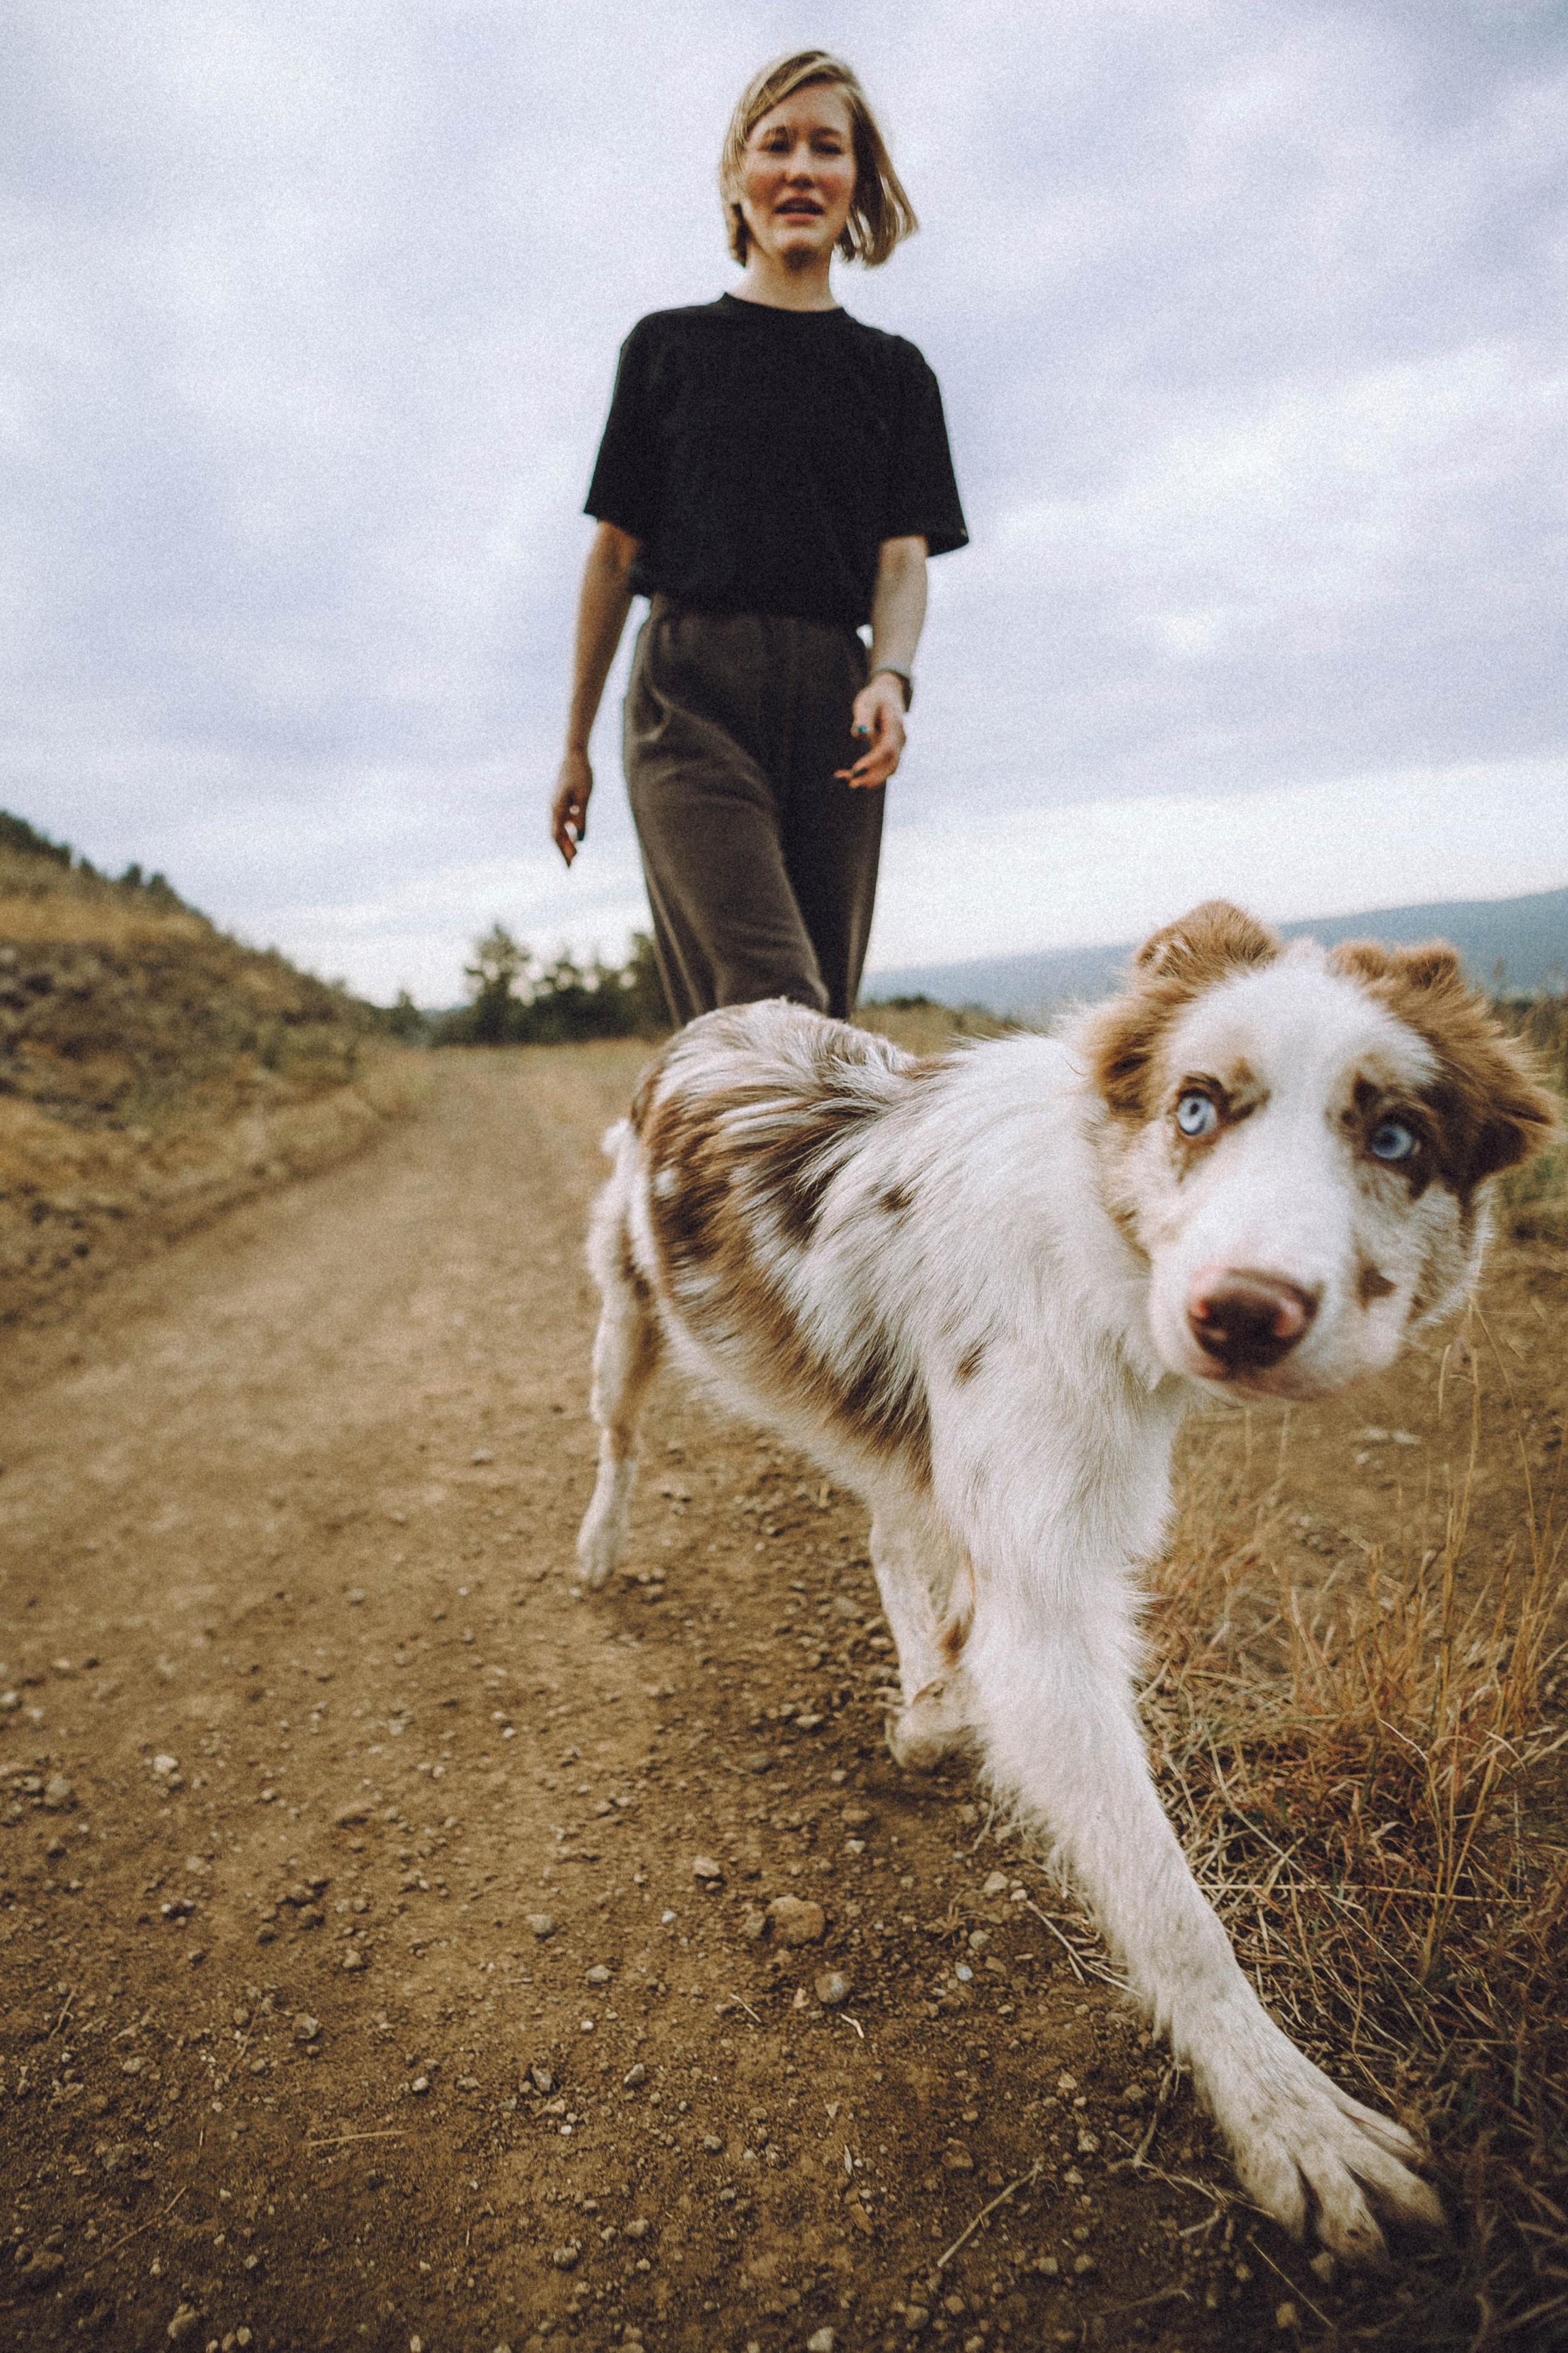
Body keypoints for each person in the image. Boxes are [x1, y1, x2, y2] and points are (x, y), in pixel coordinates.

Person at [549, 49, 967, 1025]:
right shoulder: (667, 350)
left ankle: (701, 1176)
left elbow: (901, 562)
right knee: (773, 1002)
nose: (801, 168)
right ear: (740, 176)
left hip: (836, 701)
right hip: (688, 690)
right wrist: (574, 745)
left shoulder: (896, 375)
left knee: (818, 1032)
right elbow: (614, 556)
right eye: (777, 143)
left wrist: (891, 677)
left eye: (829, 147)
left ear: (857, 183)